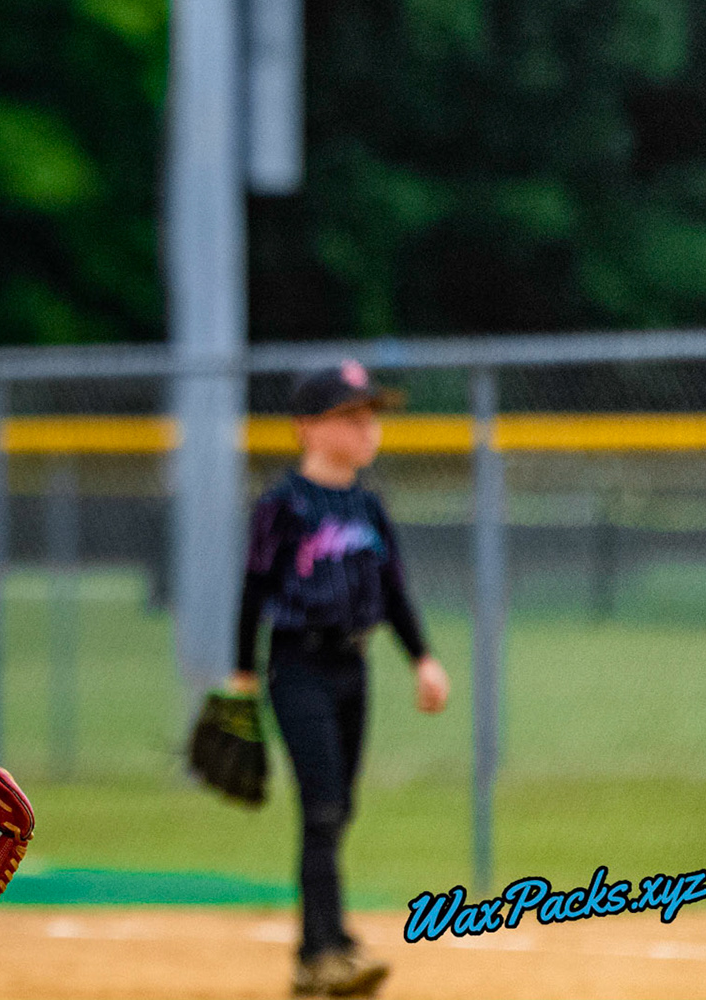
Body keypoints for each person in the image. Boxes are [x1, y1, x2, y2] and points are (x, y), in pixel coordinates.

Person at [230, 362, 452, 998]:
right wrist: (242, 675)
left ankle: (319, 950)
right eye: (351, 417)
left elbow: (394, 591)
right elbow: (253, 590)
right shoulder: (283, 506)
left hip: (354, 667)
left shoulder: (368, 507)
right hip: (296, 665)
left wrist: (423, 659)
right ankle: (327, 953)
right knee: (323, 808)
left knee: (338, 810)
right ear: (307, 428)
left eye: (371, 417)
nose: (368, 429)